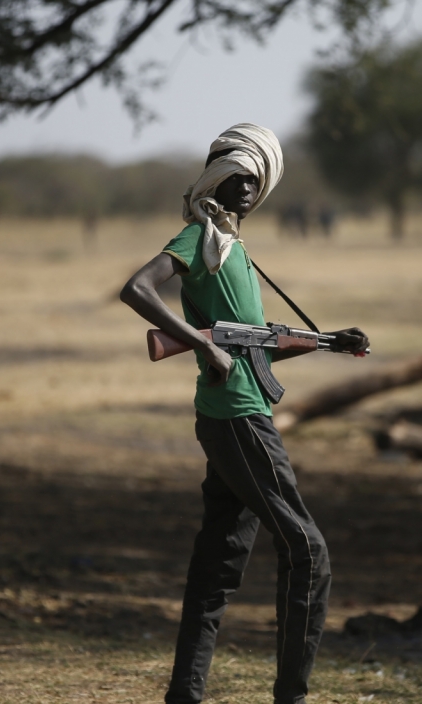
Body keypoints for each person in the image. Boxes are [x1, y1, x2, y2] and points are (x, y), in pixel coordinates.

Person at [120, 123, 368, 704]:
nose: (249, 189)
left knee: (217, 569)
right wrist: (202, 344)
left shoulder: (233, 248)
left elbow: (257, 341)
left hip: (235, 413)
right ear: (217, 178)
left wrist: (332, 340)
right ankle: (292, 696)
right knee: (308, 550)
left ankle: (184, 694)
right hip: (237, 419)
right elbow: (137, 289)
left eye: (257, 181)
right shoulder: (197, 239)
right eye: (240, 178)